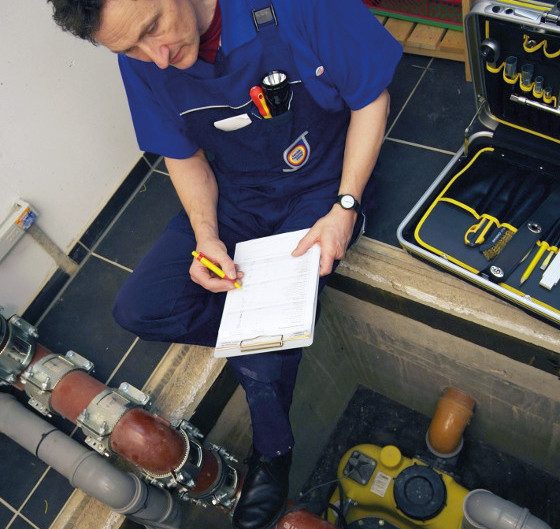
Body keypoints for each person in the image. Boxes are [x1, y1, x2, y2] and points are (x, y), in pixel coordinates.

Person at [47, 0, 402, 528]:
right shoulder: (144, 58)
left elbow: (371, 99)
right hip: (240, 195)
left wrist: (344, 208)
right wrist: (206, 235)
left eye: (152, 29)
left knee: (259, 359)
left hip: (319, 185)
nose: (158, 59)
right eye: (131, 49)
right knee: (140, 307)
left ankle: (273, 449)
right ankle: (281, 324)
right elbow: (183, 155)